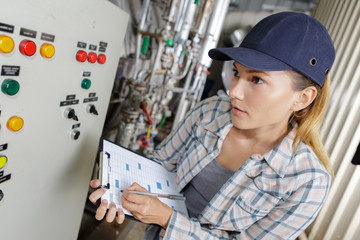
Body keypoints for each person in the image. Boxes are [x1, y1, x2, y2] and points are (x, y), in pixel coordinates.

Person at [89, 11, 335, 239]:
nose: (234, 90)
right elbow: (162, 164)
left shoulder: (307, 181)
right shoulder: (211, 112)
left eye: (257, 80)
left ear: (302, 98)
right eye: (237, 72)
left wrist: (166, 219)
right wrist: (118, 186)